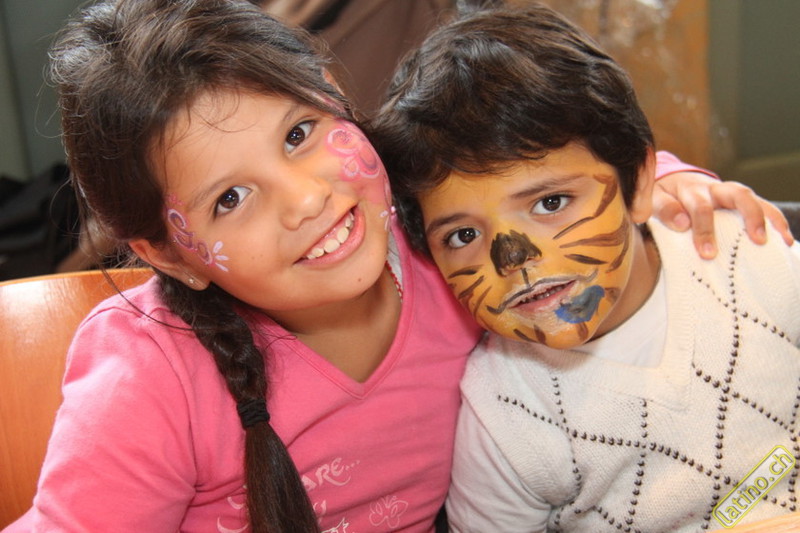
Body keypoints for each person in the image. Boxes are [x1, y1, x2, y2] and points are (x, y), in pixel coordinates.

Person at [2, 1, 789, 532]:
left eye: (300, 133)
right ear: (170, 253)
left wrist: (677, 184)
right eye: (231, 198)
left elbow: (545, 169)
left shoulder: (449, 249)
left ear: (337, 94)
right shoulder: (150, 375)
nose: (307, 199)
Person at [370, 3, 800, 532]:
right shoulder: (507, 413)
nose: (515, 260)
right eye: (463, 236)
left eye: (550, 203)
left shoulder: (748, 259)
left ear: (639, 186)